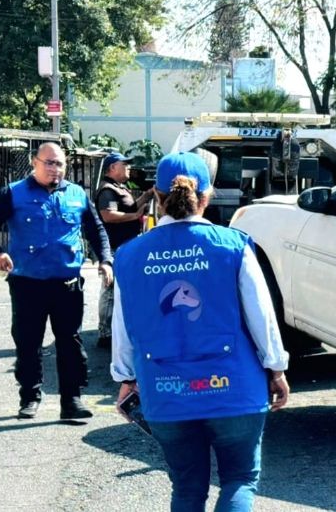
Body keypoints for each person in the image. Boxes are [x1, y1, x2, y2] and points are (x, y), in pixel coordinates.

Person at [110, 151, 290, 511]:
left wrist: (125, 378)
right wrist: (276, 367)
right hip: (234, 387)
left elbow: (124, 327)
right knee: (239, 479)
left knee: (187, 487)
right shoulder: (233, 246)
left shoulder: (129, 256)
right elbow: (261, 315)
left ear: (156, 198)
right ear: (206, 198)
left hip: (165, 391)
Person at [0, 142, 113, 420]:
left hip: (67, 284)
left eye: (59, 164)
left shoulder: (77, 195)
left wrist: (105, 260)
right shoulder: (13, 193)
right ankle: (29, 396)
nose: (54, 169)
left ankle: (71, 400)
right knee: (28, 341)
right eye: (48, 163)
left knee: (70, 342)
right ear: (34, 162)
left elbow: (97, 231)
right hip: (27, 283)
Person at [94, 152, 154, 348]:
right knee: (110, 289)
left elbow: (129, 208)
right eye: (124, 164)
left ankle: (114, 329)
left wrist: (147, 195)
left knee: (120, 288)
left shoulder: (120, 188)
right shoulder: (107, 190)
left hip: (125, 246)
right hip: (114, 246)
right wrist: (135, 216)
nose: (128, 167)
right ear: (112, 168)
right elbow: (108, 215)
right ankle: (105, 333)